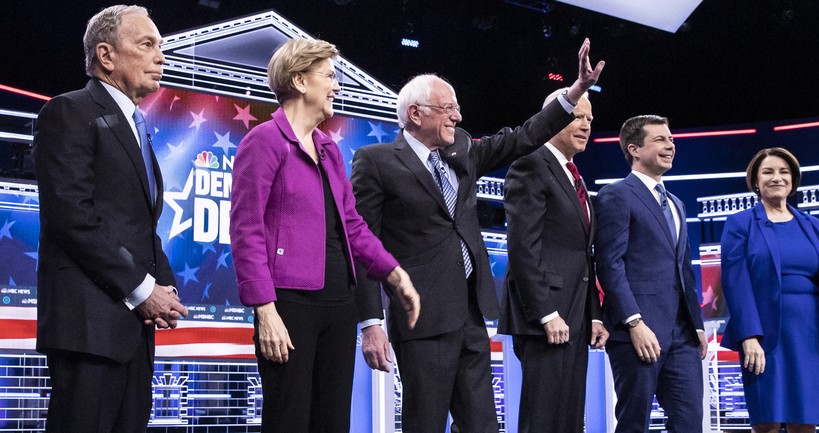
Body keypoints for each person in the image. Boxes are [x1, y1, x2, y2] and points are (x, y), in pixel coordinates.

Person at [350, 39, 604, 433]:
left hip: (471, 312)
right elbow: (363, 244)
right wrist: (370, 323)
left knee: (482, 425)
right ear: (415, 114)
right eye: (448, 108)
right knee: (426, 423)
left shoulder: (464, 152)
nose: (458, 115)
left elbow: (522, 136)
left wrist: (574, 93)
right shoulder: (377, 161)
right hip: (421, 318)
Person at [229, 38, 420, 433]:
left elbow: (352, 226)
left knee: (333, 421)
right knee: (290, 421)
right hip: (289, 306)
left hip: (339, 304)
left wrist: (395, 274)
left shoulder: (329, 150)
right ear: (299, 80)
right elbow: (245, 230)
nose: (337, 86)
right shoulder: (263, 142)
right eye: (330, 76)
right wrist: (265, 310)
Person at [32, 5, 188, 433]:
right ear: (106, 55)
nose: (160, 56)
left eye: (160, 46)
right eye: (146, 45)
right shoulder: (69, 112)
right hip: (88, 329)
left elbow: (140, 223)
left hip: (133, 330)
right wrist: (143, 289)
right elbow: (72, 217)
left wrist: (164, 284)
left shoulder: (138, 127)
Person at [720, 147, 819, 433]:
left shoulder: (812, 225)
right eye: (768, 172)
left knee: (805, 423)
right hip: (765, 335)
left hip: (810, 334)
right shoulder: (740, 223)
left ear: (793, 181)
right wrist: (749, 336)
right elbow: (736, 281)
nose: (777, 178)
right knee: (767, 421)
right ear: (755, 181)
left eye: (784, 172)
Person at [498, 90, 608, 432]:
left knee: (570, 417)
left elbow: (581, 256)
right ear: (553, 118)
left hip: (575, 315)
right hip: (546, 317)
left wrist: (594, 315)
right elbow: (522, 248)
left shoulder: (572, 174)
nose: (586, 125)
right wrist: (546, 312)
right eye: (578, 116)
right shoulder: (531, 163)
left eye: (590, 119)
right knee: (543, 418)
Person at [593, 115, 707, 433]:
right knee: (634, 424)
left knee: (688, 424)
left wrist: (696, 325)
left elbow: (683, 271)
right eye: (659, 139)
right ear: (634, 149)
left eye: (671, 139)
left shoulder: (677, 204)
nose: (670, 145)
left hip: (682, 336)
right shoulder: (616, 194)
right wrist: (634, 322)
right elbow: (609, 264)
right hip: (637, 333)